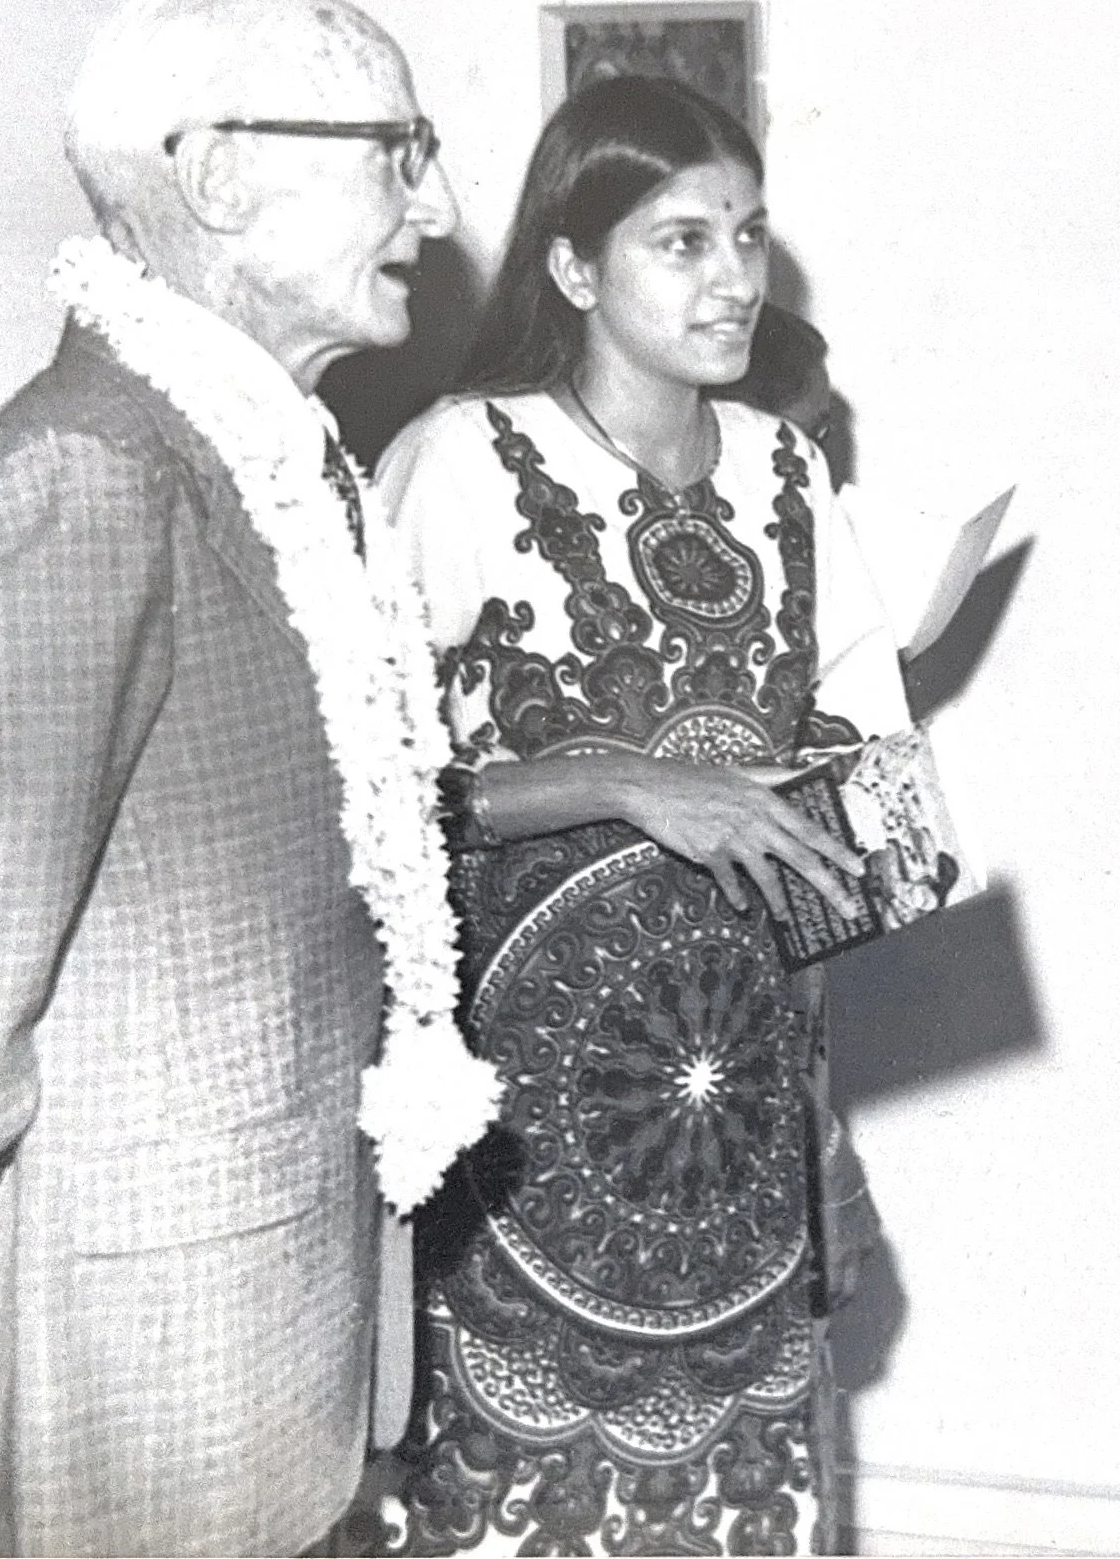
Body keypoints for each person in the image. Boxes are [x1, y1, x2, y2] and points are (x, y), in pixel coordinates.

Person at [0, 0, 488, 1557]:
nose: (438, 203)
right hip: (126, 1366)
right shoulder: (91, 470)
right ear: (216, 179)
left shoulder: (269, 453)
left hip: (273, 1320)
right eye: (397, 150)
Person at [375, 75, 914, 1556]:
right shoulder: (460, 461)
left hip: (737, 1118)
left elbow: (868, 769)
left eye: (745, 234)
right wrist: (621, 780)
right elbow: (354, 798)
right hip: (520, 1147)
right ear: (572, 265)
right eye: (679, 242)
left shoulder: (789, 471)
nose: (734, 275)